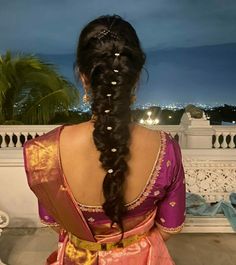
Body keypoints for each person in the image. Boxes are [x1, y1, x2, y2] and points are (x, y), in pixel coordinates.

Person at [23, 14, 186, 265]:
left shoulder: (43, 152)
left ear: (83, 76)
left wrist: (91, 244)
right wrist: (125, 248)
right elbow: (170, 227)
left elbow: (53, 221)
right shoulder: (167, 150)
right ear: (135, 78)